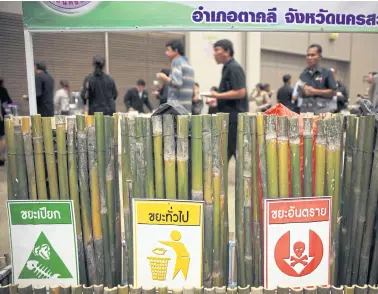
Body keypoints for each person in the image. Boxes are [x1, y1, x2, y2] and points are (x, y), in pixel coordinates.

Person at [207, 39, 248, 161]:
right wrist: (217, 100)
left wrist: (217, 96)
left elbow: (241, 92)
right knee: (226, 153)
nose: (214, 54)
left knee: (233, 153)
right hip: (229, 118)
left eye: (217, 50)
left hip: (234, 119)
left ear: (227, 51)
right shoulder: (227, 68)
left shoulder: (234, 68)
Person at [157, 40, 195, 113]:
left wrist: (164, 77)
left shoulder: (176, 62)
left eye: (168, 50)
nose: (166, 53)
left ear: (176, 50)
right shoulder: (188, 65)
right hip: (186, 107)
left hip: (177, 107)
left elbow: (177, 83)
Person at [298, 44, 337, 114]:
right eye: (308, 55)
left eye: (313, 55)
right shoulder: (303, 73)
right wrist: (302, 90)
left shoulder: (327, 72)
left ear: (319, 57)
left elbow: (334, 92)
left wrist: (314, 91)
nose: (309, 57)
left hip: (321, 111)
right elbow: (300, 94)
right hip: (306, 111)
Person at [0, 78, 12, 165]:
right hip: (0, 117)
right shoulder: (2, 90)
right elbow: (9, 102)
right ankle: (1, 158)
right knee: (3, 137)